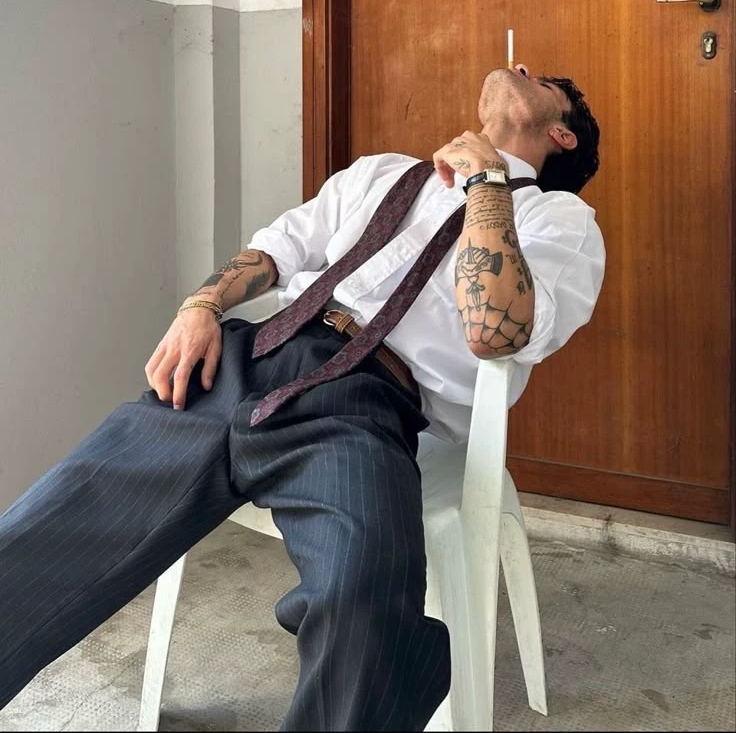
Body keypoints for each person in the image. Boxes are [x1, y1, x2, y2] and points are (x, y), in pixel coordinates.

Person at [0, 63, 605, 731]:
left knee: (366, 603)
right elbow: (274, 253)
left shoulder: (559, 221)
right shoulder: (382, 174)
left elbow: (495, 332)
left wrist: (487, 183)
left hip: (364, 404)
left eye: (545, 81)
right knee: (55, 521)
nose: (520, 67)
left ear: (562, 134)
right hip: (250, 355)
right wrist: (201, 304)